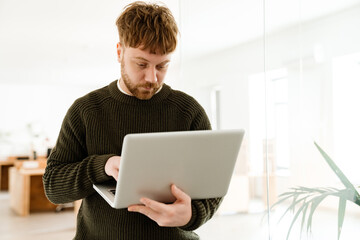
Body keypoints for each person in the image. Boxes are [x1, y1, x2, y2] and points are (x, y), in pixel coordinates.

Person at [43, 1, 222, 239]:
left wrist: (191, 215)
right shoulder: (86, 110)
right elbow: (54, 187)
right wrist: (103, 166)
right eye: (141, 64)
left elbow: (213, 186)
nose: (152, 77)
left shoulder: (188, 111)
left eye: (162, 66)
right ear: (119, 52)